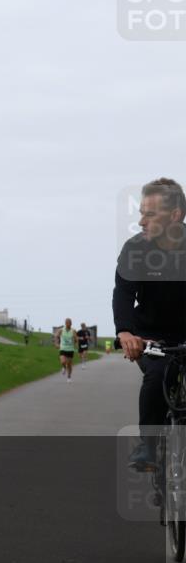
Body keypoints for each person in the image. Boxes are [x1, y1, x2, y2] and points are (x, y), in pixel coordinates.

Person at [113, 178, 186, 471]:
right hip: (151, 336)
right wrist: (126, 332)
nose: (141, 221)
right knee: (157, 376)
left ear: (175, 215)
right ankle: (149, 446)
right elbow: (123, 293)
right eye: (140, 213)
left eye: (150, 214)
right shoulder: (135, 250)